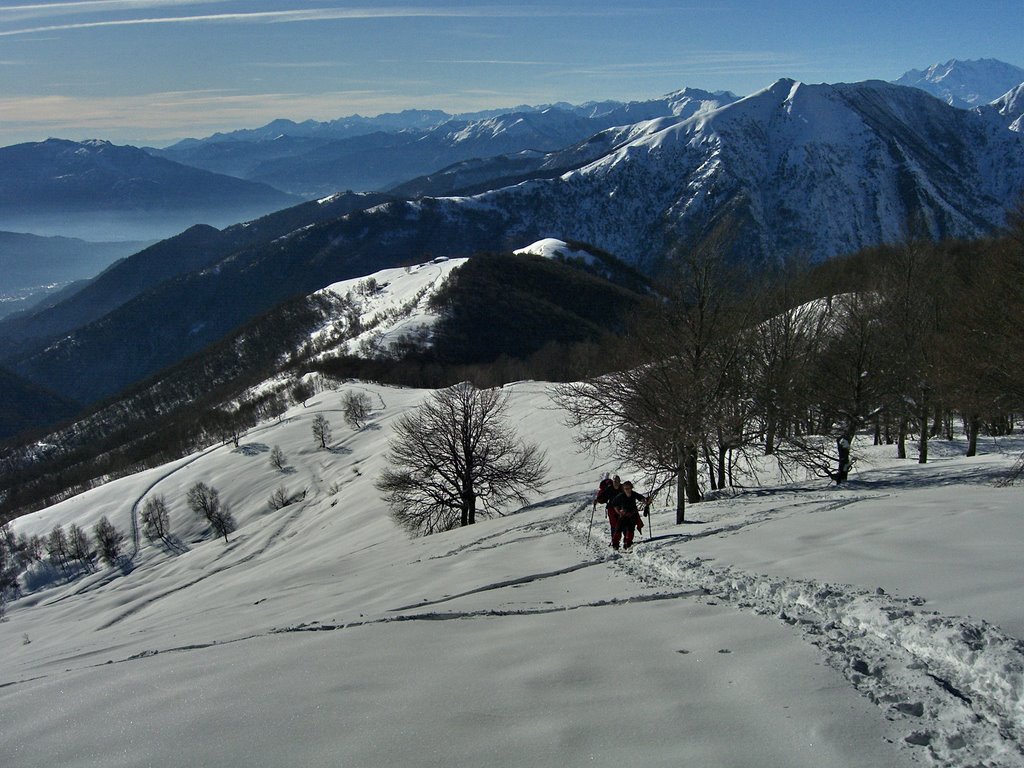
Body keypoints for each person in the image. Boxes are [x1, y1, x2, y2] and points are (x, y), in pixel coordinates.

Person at [609, 480, 647, 550]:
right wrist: (618, 512)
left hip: (632, 514)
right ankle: (615, 544)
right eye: (626, 489)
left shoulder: (634, 494)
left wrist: (644, 500)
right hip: (623, 515)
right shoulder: (621, 496)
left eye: (629, 488)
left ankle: (628, 544)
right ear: (624, 489)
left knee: (630, 529)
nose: (627, 490)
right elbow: (614, 503)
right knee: (618, 529)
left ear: (631, 488)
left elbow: (640, 498)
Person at [594, 474, 622, 545]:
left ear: (620, 481)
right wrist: (597, 500)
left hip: (621, 509)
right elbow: (603, 495)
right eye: (615, 481)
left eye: (617, 481)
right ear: (613, 481)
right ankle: (615, 542)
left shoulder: (622, 488)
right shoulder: (609, 489)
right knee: (614, 526)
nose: (616, 482)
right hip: (611, 509)